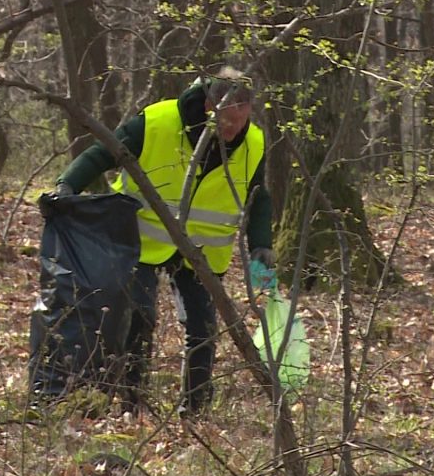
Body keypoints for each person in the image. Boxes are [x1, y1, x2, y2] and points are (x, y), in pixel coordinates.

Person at [54, 68, 275, 417]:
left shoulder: (255, 143)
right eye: (226, 119)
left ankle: (196, 407)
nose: (232, 128)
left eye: (240, 120)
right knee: (140, 316)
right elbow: (102, 153)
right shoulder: (157, 121)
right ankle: (133, 401)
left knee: (202, 327)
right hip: (138, 238)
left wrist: (261, 243)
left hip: (202, 250)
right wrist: (67, 185)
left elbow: (258, 197)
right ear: (208, 104)